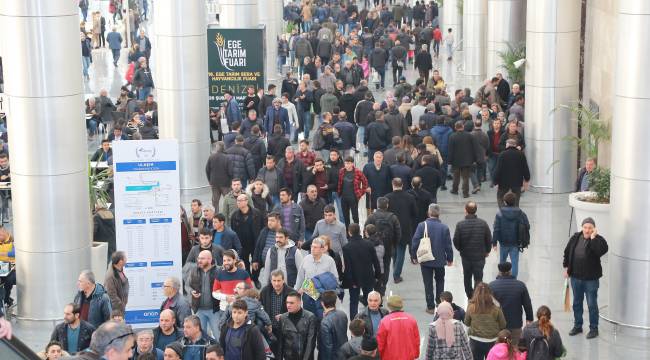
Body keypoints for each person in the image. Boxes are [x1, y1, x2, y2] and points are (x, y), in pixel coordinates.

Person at [563, 217, 608, 339]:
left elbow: (601, 251)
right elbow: (567, 252)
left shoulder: (598, 240)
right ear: (582, 227)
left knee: (592, 304)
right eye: (585, 227)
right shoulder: (575, 238)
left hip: (591, 280)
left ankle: (594, 328)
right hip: (576, 278)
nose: (587, 230)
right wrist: (566, 267)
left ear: (594, 229)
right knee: (577, 303)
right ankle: (578, 326)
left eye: (590, 228)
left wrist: (593, 239)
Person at [411, 204, 454, 312]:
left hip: (426, 260)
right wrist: (450, 259)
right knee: (440, 281)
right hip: (440, 260)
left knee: (428, 283)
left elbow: (415, 241)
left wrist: (414, 256)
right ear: (439, 214)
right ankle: (440, 303)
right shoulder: (444, 228)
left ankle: (430, 306)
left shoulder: (422, 225)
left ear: (428, 213)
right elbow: (448, 245)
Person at [453, 201, 492, 299]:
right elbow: (488, 239)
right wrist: (487, 251)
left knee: (467, 276)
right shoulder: (483, 224)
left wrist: (461, 249)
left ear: (465, 210)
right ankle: (477, 296)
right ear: (476, 210)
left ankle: (469, 295)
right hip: (480, 256)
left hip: (466, 256)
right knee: (478, 278)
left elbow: (456, 241)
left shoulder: (460, 225)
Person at [488, 262, 533, 346]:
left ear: (499, 272)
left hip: (498, 325)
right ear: (510, 271)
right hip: (515, 324)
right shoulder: (520, 285)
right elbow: (527, 304)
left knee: (499, 349)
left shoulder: (491, 286)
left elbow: (487, 305)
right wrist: (529, 319)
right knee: (514, 349)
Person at [342, 223, 381, 319]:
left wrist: (351, 281)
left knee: (354, 302)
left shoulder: (347, 247)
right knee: (370, 300)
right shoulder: (369, 244)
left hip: (354, 279)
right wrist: (377, 276)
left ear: (349, 232)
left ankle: (354, 323)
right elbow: (376, 262)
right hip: (368, 277)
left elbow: (348, 267)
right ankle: (370, 320)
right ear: (360, 231)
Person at [294, 237, 338, 318]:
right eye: (312, 246)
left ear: (322, 249)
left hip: (323, 297)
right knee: (309, 320)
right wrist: (296, 292)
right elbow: (300, 277)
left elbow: (335, 279)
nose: (312, 249)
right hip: (308, 297)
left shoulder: (330, 261)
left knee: (322, 321)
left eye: (315, 247)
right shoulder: (306, 259)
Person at [364, 197, 401, 291]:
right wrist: (394, 244)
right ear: (387, 205)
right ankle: (383, 285)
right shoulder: (393, 217)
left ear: (377, 205)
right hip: (388, 246)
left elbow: (365, 230)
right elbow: (398, 233)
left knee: (373, 264)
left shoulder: (372, 217)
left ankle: (374, 285)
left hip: (374, 246)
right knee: (386, 265)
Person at [386, 178, 418, 283]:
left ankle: (395, 268)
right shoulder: (410, 197)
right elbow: (414, 213)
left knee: (394, 250)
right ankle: (396, 274)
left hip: (391, 228)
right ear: (402, 185)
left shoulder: (387, 197)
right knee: (401, 251)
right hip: (404, 228)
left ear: (392, 185)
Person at [464, 283, 507, 360]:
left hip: (475, 341)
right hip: (492, 341)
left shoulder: (471, 307)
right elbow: (503, 325)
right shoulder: (496, 308)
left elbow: (466, 322)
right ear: (490, 294)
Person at [492, 192, 529, 278]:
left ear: (505, 202)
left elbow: (496, 229)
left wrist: (494, 242)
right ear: (515, 201)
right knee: (515, 262)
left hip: (503, 242)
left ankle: (502, 277)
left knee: (502, 261)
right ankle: (513, 279)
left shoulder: (499, 214)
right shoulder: (520, 213)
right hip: (516, 242)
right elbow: (527, 225)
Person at [230, 194, 265, 283]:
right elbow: (233, 231)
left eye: (241, 200)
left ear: (246, 201)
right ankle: (248, 276)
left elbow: (262, 227)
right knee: (244, 262)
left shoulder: (257, 213)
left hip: (255, 243)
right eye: (238, 201)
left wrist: (262, 241)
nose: (239, 203)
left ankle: (255, 278)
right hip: (242, 244)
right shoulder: (234, 216)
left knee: (257, 261)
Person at [188, 250, 221, 339]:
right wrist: (191, 291)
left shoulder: (219, 271)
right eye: (198, 258)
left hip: (215, 310)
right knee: (200, 337)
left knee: (218, 335)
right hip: (199, 310)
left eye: (202, 258)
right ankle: (203, 353)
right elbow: (188, 285)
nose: (199, 260)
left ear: (210, 260)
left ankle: (219, 352)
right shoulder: (194, 270)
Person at [376, 295, 420, 360]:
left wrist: (379, 356)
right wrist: (416, 354)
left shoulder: (384, 321)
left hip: (389, 357)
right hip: (408, 356)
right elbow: (416, 340)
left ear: (389, 306)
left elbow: (380, 343)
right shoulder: (411, 319)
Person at [260, 270, 292, 356]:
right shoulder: (265, 291)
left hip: (285, 329)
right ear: (271, 281)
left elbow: (297, 310)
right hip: (270, 329)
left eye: (279, 280)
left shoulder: (291, 292)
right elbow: (260, 308)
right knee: (272, 353)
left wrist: (285, 316)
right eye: (274, 280)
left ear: (283, 280)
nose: (276, 283)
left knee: (286, 353)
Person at [278, 291, 318, 360]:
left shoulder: (310, 317)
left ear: (299, 303)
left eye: (291, 303)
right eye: (287, 302)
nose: (288, 305)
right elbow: (281, 343)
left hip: (305, 357)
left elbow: (310, 343)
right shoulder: (283, 318)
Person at [448, 120, 483, 198]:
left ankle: (455, 190)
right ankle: (465, 193)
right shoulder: (470, 136)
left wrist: (449, 161)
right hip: (467, 160)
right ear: (463, 127)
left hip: (455, 160)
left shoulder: (452, 136)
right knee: (465, 177)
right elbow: (475, 148)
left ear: (455, 127)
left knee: (456, 177)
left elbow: (450, 150)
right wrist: (476, 159)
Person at [493, 139, 530, 207]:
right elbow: (525, 168)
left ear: (507, 145)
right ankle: (515, 212)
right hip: (517, 182)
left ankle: (504, 212)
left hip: (504, 182)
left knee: (500, 197)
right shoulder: (521, 154)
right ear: (515, 145)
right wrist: (527, 179)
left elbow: (498, 169)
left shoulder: (502, 154)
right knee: (516, 200)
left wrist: (495, 181)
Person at [337, 157, 368, 227]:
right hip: (344, 197)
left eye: (348, 163)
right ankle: (348, 232)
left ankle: (356, 231)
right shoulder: (342, 171)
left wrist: (361, 193)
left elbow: (365, 182)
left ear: (352, 164)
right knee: (345, 216)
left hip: (353, 197)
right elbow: (339, 183)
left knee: (355, 216)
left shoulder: (358, 172)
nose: (347, 165)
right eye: (345, 163)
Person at [206, 141, 233, 211]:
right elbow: (230, 172)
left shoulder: (211, 157)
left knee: (215, 201)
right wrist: (231, 180)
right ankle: (227, 215)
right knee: (228, 200)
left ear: (216, 148)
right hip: (226, 183)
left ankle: (215, 216)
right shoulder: (228, 158)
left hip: (214, 182)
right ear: (224, 148)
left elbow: (207, 170)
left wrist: (209, 180)